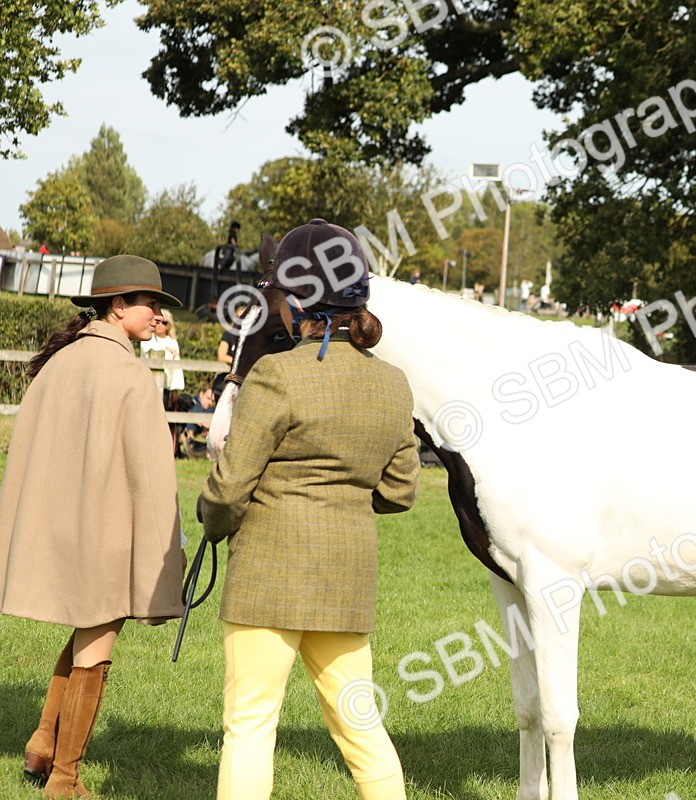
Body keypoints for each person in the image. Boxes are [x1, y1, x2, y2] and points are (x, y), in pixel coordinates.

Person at [200, 219, 419, 800]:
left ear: (299, 301)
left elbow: (228, 491)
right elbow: (400, 491)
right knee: (361, 726)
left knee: (250, 724)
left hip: (269, 575)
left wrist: (212, 520)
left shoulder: (275, 373)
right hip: (345, 577)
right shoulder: (394, 384)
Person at [0, 254, 186, 798]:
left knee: (88, 629)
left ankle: (41, 743)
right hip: (106, 526)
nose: (157, 314)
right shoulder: (126, 372)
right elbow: (150, 475)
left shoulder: (62, 361)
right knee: (98, 638)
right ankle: (65, 777)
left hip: (61, 524)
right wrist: (164, 543)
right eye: (150, 303)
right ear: (118, 305)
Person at [179, 384, 216, 458]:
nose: (210, 403)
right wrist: (202, 423)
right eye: (208, 398)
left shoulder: (211, 409)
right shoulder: (191, 403)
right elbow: (190, 413)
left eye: (212, 401)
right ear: (201, 394)